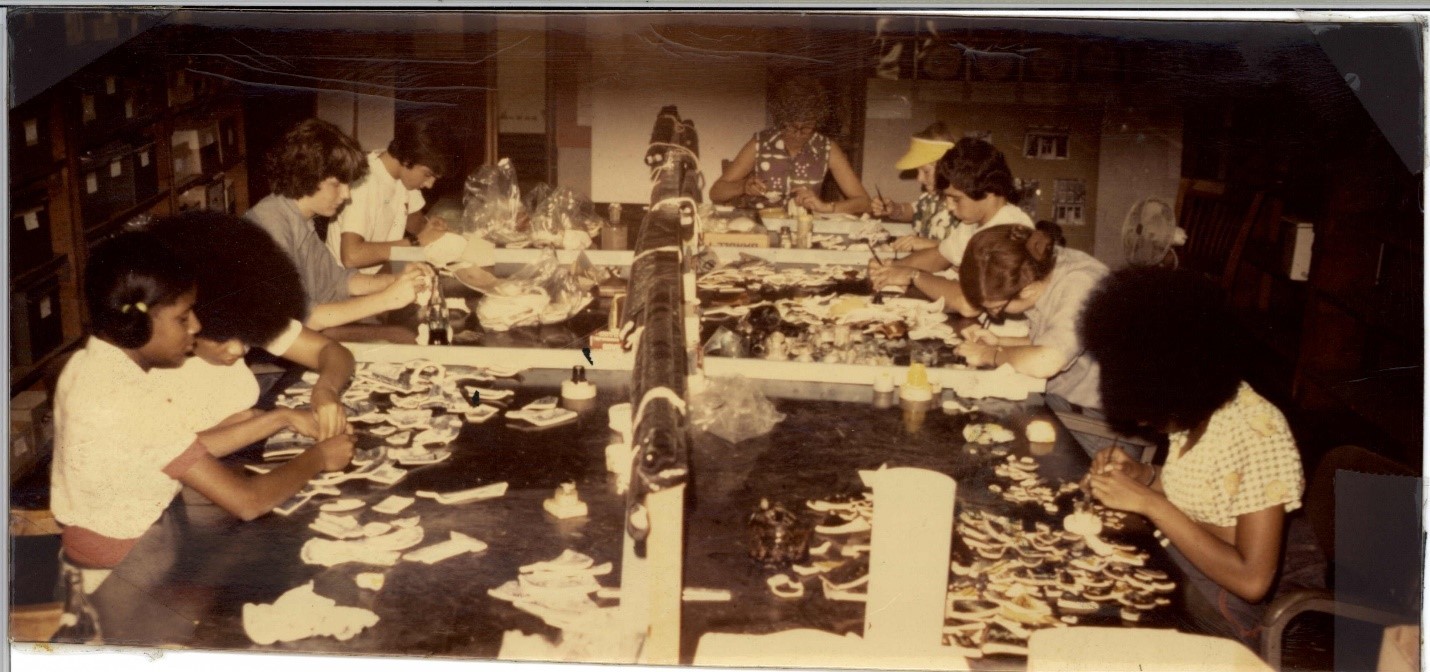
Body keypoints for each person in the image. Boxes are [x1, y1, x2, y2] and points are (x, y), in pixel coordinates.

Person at [49, 231, 354, 642]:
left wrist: (275, 417)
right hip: (115, 595)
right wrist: (320, 457)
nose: (194, 327)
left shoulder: (97, 366)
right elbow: (248, 502)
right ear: (137, 322)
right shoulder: (123, 396)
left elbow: (180, 448)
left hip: (141, 558)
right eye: (181, 318)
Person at [1080, 267, 1306, 646]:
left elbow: (1252, 581)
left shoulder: (1259, 433)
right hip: (1182, 562)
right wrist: (1143, 475)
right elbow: (1205, 492)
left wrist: (1150, 504)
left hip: (1226, 607)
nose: (1140, 417)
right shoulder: (1195, 407)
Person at [144, 211, 355, 441]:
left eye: (243, 336)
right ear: (186, 320)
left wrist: (326, 389)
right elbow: (174, 454)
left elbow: (331, 351)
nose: (237, 349)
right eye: (222, 338)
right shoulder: (156, 361)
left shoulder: (238, 312)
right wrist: (278, 419)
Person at [246, 118, 430, 342]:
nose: (346, 195)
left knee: (402, 335)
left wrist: (396, 281)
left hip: (308, 334)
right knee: (401, 337)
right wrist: (387, 299)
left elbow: (339, 281)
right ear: (307, 174)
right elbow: (303, 319)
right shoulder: (270, 224)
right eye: (337, 184)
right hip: (271, 358)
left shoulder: (301, 218)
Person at [951, 223, 1110, 451]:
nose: (994, 314)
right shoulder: (1042, 269)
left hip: (1097, 425)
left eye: (995, 308)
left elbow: (1047, 361)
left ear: (1027, 291)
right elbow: (1052, 340)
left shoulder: (1081, 284)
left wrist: (989, 354)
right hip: (1061, 402)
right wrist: (999, 341)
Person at [867, 138, 1033, 316]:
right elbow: (940, 256)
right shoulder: (976, 220)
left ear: (988, 192)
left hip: (1001, 336)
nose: (949, 206)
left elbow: (969, 303)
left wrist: (913, 275)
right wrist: (892, 267)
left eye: (956, 199)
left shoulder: (1009, 231)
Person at [710, 75, 870, 215]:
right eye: (792, 126)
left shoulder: (827, 148)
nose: (798, 134)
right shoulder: (760, 143)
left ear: (817, 120)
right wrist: (743, 186)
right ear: (781, 121)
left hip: (803, 228)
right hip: (761, 227)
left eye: (807, 127)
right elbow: (716, 192)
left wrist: (825, 207)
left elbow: (864, 202)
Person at [324, 117, 457, 274]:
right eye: (427, 174)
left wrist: (432, 228)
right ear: (408, 159)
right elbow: (351, 257)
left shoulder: (404, 177)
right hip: (346, 284)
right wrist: (417, 242)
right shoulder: (364, 181)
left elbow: (415, 222)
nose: (430, 184)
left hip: (381, 272)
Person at [870, 121, 958, 245]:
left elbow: (963, 249)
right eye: (918, 171)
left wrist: (928, 244)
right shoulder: (930, 197)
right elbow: (914, 210)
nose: (919, 178)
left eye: (926, 171)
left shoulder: (962, 205)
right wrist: (894, 209)